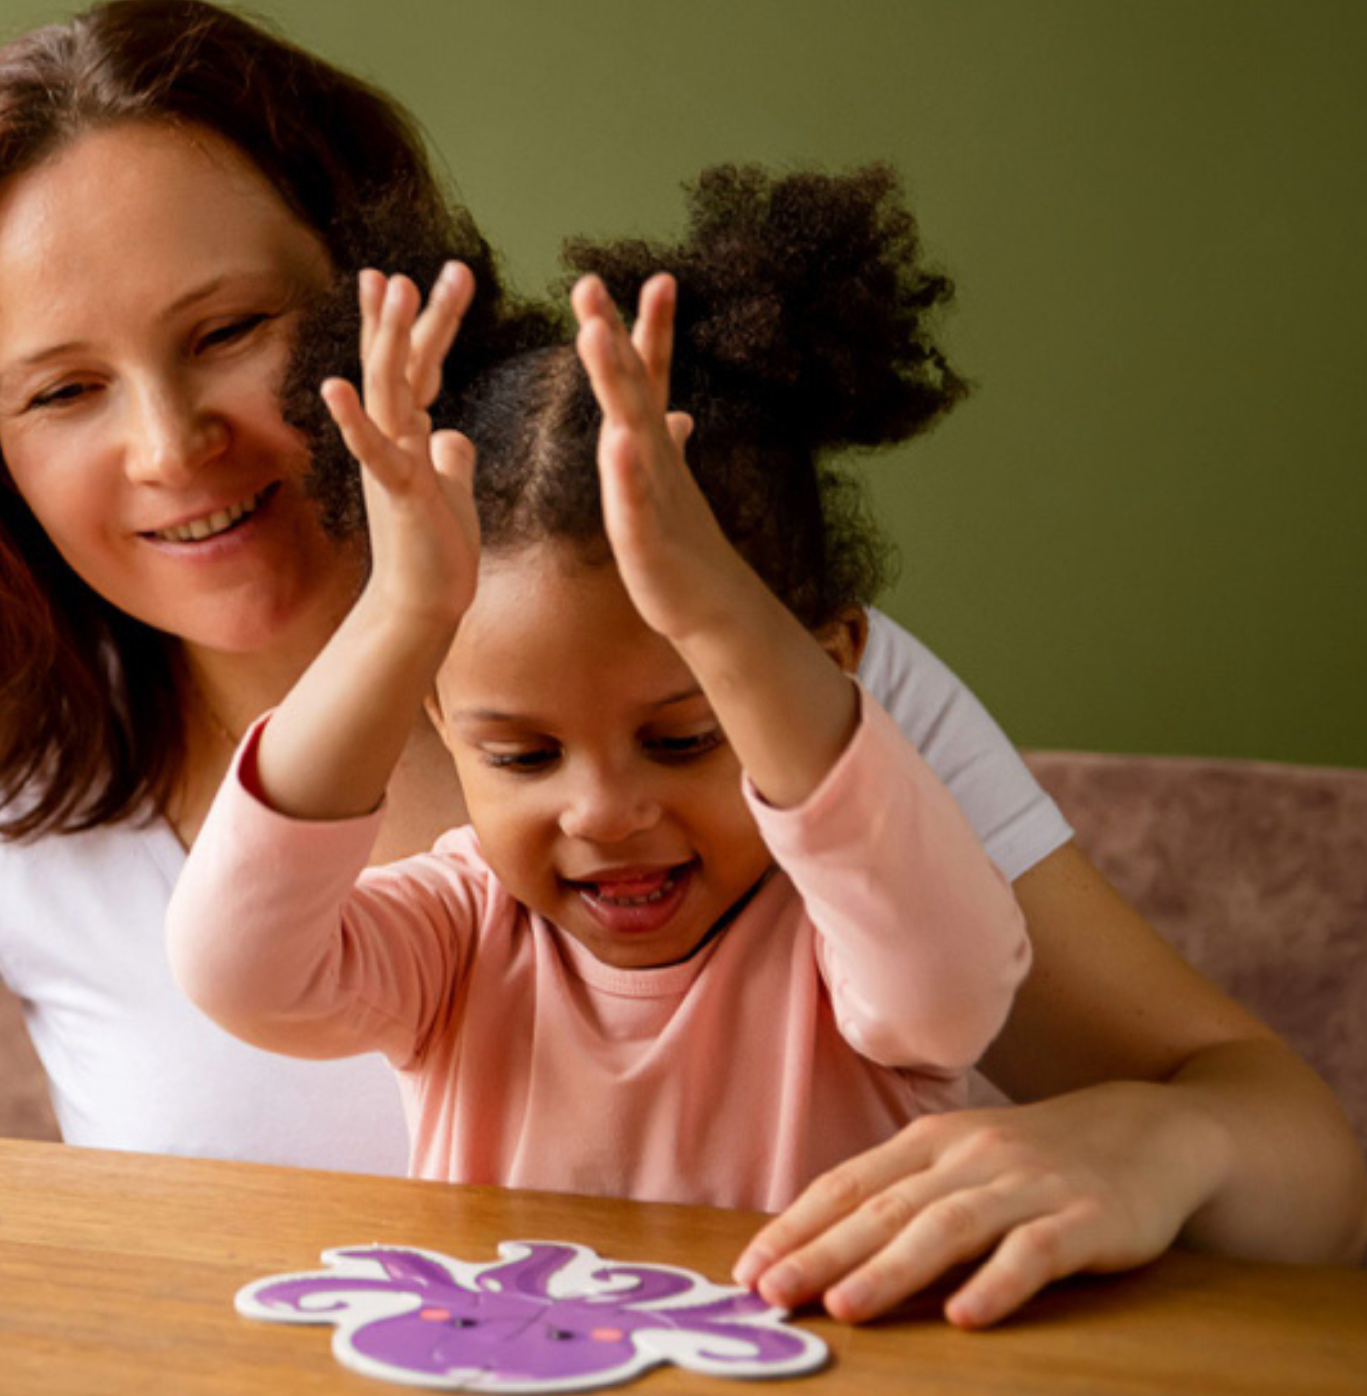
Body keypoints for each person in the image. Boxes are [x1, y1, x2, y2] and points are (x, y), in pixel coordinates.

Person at [0, 0, 1367, 1330]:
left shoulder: (747, 671)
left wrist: (1154, 1132)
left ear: (381, 305)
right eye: (66, 389)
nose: (173, 451)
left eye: (232, 332)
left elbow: (1299, 1170)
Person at [165, 202, 1036, 1212]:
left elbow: (955, 986)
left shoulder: (857, 936)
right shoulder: (461, 934)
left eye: (681, 737)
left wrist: (723, 621)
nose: (605, 811)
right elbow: (239, 969)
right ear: (445, 728)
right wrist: (397, 620)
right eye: (523, 757)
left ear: (825, 663)